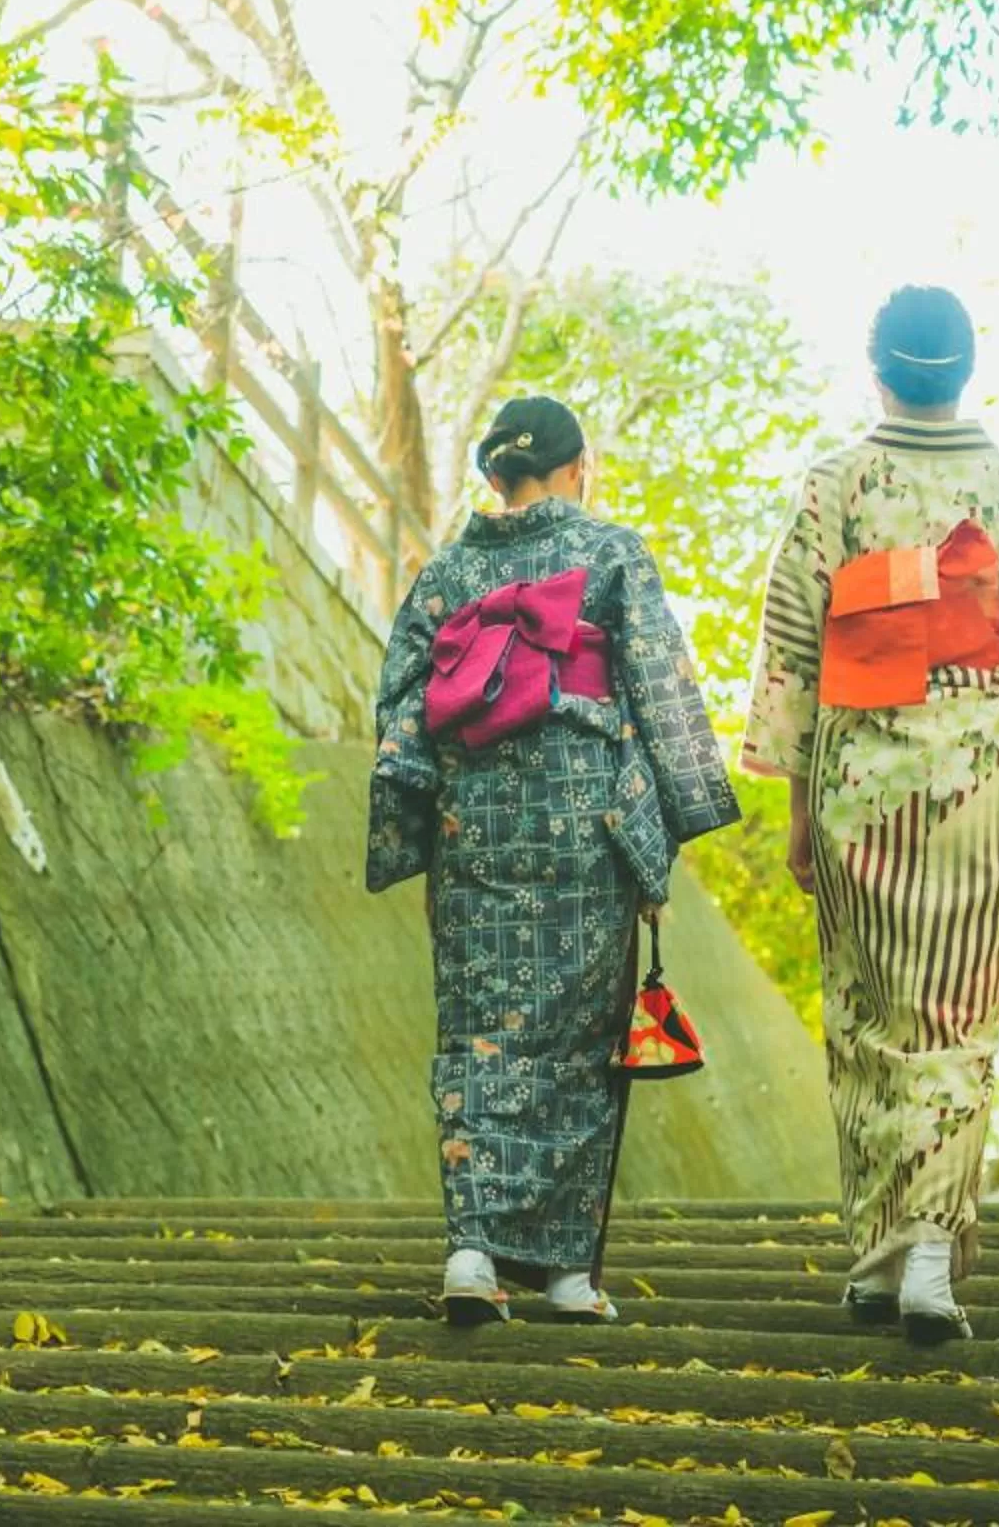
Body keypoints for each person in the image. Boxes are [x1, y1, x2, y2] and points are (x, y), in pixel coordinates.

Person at [742, 286, 999, 1344]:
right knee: (955, 1014)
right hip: (976, 766)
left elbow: (793, 644)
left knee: (869, 1012)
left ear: (875, 368)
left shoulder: (835, 484)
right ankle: (922, 1249)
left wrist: (794, 808)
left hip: (857, 774)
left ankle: (885, 1251)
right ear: (967, 371)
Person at [368, 395, 741, 1325]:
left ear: (494, 475)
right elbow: (660, 692)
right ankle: (570, 1274)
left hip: (477, 832)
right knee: (580, 1043)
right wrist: (666, 843)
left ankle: (472, 1252)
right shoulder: (612, 555)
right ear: (580, 466)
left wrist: (420, 817)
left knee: (480, 1031)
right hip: (585, 826)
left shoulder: (447, 574)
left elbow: (399, 710)